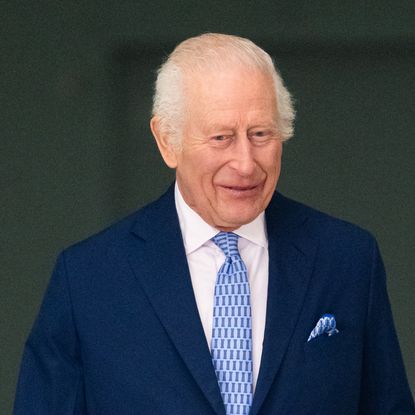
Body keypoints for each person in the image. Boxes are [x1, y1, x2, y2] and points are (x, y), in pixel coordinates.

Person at [14, 33, 414, 415]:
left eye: (260, 134)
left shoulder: (347, 259)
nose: (245, 163)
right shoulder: (88, 279)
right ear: (167, 141)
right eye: (222, 137)